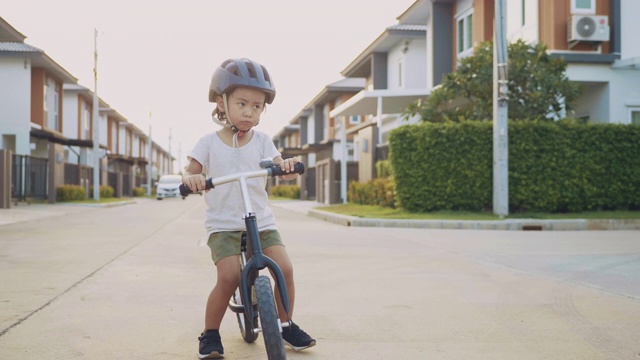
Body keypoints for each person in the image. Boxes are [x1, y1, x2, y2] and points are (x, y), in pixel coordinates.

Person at [182, 58, 316, 359]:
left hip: (261, 221)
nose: (249, 111)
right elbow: (190, 171)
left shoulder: (263, 142)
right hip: (224, 224)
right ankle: (211, 333)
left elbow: (279, 164)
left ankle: (286, 324)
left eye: (257, 106)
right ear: (221, 103)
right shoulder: (208, 143)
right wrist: (192, 178)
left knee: (285, 268)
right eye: (242, 103)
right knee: (228, 276)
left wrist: (287, 166)